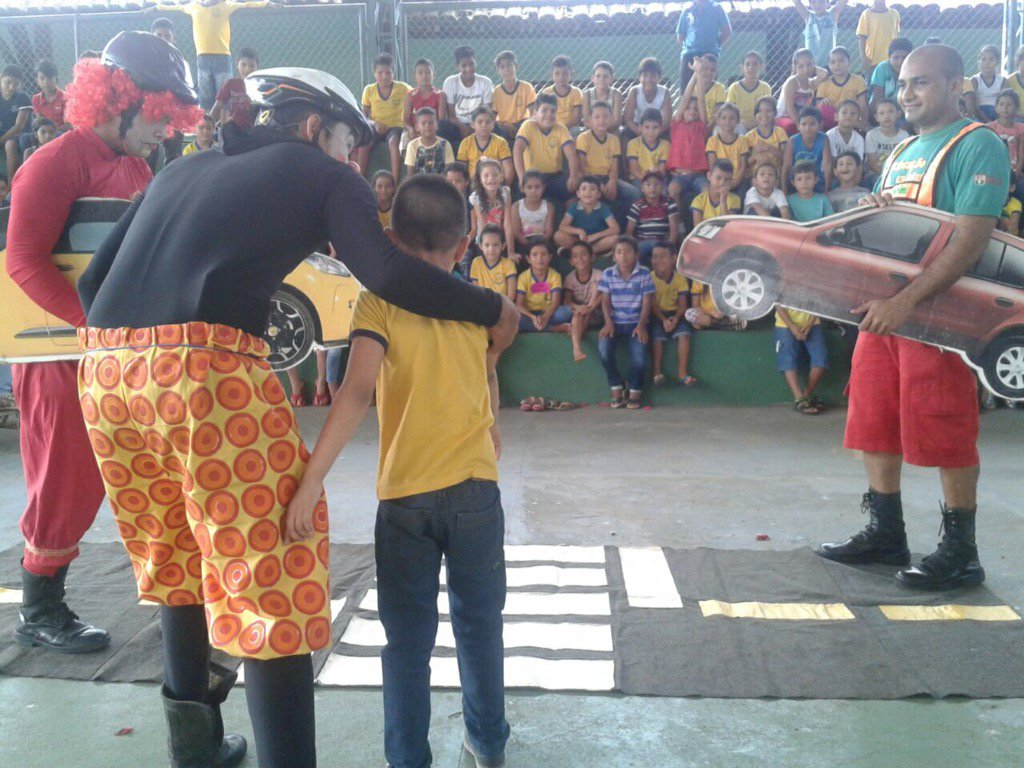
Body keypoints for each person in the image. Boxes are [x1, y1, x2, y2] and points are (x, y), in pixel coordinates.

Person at [76, 58, 518, 768]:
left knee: (179, 561)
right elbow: (388, 271)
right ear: (317, 127)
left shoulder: (181, 169)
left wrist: (135, 358)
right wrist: (492, 306)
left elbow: (96, 279)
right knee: (272, 576)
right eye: (351, 144)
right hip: (205, 374)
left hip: (105, 372)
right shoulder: (323, 173)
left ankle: (197, 749)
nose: (354, 161)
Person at [284, 174, 512, 768]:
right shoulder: (473, 302)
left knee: (406, 644)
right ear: (463, 246)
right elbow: (487, 363)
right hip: (475, 493)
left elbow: (356, 392)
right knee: (480, 626)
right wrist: (490, 422)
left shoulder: (379, 300)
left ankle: (407, 757)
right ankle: (488, 743)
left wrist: (312, 479)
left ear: (391, 239)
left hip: (406, 501)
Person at [5, 32, 198, 660]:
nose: (165, 132)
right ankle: (39, 610)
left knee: (134, 472)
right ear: (118, 98)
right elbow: (24, 261)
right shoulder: (55, 161)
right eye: (160, 116)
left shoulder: (141, 169)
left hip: (115, 355)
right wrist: (92, 323)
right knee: (65, 481)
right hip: (60, 353)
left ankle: (175, 593)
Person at [817, 44, 1009, 590]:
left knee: (945, 422)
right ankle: (886, 533)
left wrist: (906, 302)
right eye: (902, 84)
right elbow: (885, 231)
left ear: (956, 85)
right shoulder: (901, 153)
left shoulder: (979, 145)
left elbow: (969, 242)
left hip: (941, 318)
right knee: (873, 418)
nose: (906, 94)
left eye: (921, 83)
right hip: (885, 315)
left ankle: (961, 551)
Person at [152, 0, 273, 111]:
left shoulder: (226, 6)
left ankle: (225, 126)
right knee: (205, 96)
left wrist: (267, 3)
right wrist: (156, 7)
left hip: (222, 58)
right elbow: (175, 7)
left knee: (225, 95)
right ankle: (207, 124)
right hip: (202, 59)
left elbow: (247, 4)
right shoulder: (193, 6)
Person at [598, 235, 654, 409]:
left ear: (636, 255)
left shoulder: (644, 273)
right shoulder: (608, 274)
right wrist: (608, 323)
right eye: (619, 252)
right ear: (614, 256)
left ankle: (635, 389)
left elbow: (647, 302)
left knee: (640, 357)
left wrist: (641, 325)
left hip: (637, 323)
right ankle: (616, 385)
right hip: (614, 322)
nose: (623, 256)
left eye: (628, 252)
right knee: (604, 349)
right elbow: (605, 301)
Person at [575, 100, 641, 226]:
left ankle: (623, 229)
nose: (601, 120)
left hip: (608, 178)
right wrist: (598, 184)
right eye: (597, 117)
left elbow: (614, 166)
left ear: (611, 119)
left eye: (606, 116)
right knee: (595, 195)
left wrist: (612, 181)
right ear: (589, 120)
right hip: (589, 179)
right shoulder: (583, 138)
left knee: (635, 194)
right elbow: (582, 168)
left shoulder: (614, 139)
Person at [513, 93, 578, 204]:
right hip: (532, 177)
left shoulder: (561, 128)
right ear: (535, 113)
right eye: (544, 110)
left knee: (573, 193)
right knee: (519, 198)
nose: (549, 114)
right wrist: (522, 178)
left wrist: (573, 176)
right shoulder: (528, 126)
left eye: (553, 111)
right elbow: (517, 150)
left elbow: (571, 154)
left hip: (554, 176)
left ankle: (569, 221)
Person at [358, 53, 410, 182]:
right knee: (364, 144)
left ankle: (394, 182)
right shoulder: (369, 90)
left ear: (394, 73)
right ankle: (360, 179)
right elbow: (364, 116)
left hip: (396, 127)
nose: (384, 76)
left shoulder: (403, 88)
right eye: (380, 72)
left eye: (388, 72)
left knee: (393, 143)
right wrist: (374, 124)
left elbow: (416, 97)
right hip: (376, 127)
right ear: (374, 73)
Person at [649, 242, 695, 387]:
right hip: (656, 314)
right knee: (656, 337)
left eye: (663, 256)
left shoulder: (680, 278)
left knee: (684, 335)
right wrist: (663, 320)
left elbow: (683, 304)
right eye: (655, 257)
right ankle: (657, 372)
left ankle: (682, 373)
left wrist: (675, 319)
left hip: (676, 313)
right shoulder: (648, 278)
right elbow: (651, 304)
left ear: (674, 259)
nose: (658, 260)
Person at [668, 65, 710, 206]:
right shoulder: (677, 124)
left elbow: (701, 100)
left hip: (698, 175)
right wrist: (695, 74)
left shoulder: (701, 126)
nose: (692, 110)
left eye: (695, 109)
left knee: (706, 190)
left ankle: (705, 223)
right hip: (680, 176)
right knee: (673, 190)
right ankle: (679, 223)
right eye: (688, 108)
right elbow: (686, 97)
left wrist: (699, 73)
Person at [516, 237, 572, 333]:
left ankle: (537, 327)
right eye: (535, 254)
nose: (540, 258)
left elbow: (556, 302)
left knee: (566, 312)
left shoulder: (555, 276)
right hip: (530, 314)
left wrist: (545, 317)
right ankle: (553, 329)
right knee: (517, 318)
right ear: (528, 259)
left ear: (550, 257)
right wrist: (533, 317)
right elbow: (519, 304)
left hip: (550, 313)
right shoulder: (523, 277)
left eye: (543, 254)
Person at [554, 175, 619, 256]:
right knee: (558, 235)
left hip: (597, 241)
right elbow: (562, 226)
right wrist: (579, 231)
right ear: (578, 193)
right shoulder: (574, 207)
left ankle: (587, 251)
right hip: (579, 240)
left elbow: (615, 228)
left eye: (592, 189)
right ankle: (583, 251)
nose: (588, 192)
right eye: (584, 189)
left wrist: (595, 236)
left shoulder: (603, 208)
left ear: (599, 194)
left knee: (615, 238)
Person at [676, 0, 732, 91]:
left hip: (710, 55)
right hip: (689, 56)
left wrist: (715, 45)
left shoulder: (716, 8)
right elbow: (680, 36)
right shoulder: (687, 9)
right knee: (686, 91)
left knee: (708, 91)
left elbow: (727, 31)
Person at [626, 170, 679, 264]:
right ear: (642, 188)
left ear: (662, 187)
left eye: (657, 184)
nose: (652, 188)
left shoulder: (669, 203)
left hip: (662, 241)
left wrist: (670, 247)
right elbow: (629, 231)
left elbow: (674, 229)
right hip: (642, 242)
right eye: (648, 184)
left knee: (663, 253)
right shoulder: (637, 205)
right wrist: (631, 248)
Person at [564, 240, 603, 362]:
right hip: (580, 314)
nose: (580, 258)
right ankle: (576, 349)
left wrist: (589, 307)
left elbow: (603, 296)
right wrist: (578, 307)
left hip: (596, 311)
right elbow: (567, 301)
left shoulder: (599, 274)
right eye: (575, 256)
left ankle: (576, 332)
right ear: (571, 262)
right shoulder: (570, 278)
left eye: (584, 254)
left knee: (596, 286)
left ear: (592, 257)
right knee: (578, 315)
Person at [403, 58, 457, 148]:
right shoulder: (410, 95)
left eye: (428, 72)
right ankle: (408, 160)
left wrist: (427, 132)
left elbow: (441, 120)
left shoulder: (440, 95)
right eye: (420, 73)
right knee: (405, 141)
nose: (424, 76)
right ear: (415, 76)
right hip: (415, 130)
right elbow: (405, 120)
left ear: (433, 75)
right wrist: (411, 129)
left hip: (433, 130)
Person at [443, 46, 494, 138]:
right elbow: (451, 115)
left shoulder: (485, 82)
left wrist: (476, 126)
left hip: (480, 123)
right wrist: (462, 127)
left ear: (475, 63)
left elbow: (487, 112)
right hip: (457, 124)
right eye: (464, 66)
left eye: (471, 64)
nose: (469, 69)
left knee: (496, 129)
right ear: (457, 66)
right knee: (444, 127)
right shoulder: (450, 82)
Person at [457, 105, 513, 186]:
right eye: (480, 122)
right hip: (473, 184)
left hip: (494, 183)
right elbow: (461, 169)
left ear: (493, 124)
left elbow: (508, 168)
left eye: (488, 122)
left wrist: (505, 187)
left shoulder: (501, 142)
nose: (484, 125)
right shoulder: (466, 143)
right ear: (472, 124)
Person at [782, 106, 831, 194]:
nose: (807, 128)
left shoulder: (824, 139)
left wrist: (827, 189)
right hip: (797, 183)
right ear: (798, 126)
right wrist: (784, 189)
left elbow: (827, 165)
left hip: (817, 182)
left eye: (812, 124)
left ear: (820, 125)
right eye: (803, 124)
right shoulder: (793, 141)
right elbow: (787, 166)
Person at [623, 58, 672, 145]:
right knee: (624, 134)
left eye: (653, 76)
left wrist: (653, 133)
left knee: (671, 136)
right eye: (645, 75)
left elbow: (666, 121)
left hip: (657, 129)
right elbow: (628, 119)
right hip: (638, 128)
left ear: (659, 77)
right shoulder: (634, 91)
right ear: (639, 78)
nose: (649, 79)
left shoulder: (665, 92)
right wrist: (644, 134)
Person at [816, 46, 868, 129]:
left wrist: (863, 121)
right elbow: (818, 107)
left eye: (841, 61)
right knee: (824, 108)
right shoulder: (824, 83)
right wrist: (822, 102)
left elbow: (863, 105)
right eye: (833, 62)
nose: (837, 65)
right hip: (832, 120)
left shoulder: (858, 80)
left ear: (849, 62)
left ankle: (858, 129)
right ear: (829, 65)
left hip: (850, 118)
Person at [468, 157, 513, 251]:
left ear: (501, 177)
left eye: (495, 175)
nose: (491, 179)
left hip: (501, 238)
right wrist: (485, 248)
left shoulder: (505, 193)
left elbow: (507, 223)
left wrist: (510, 251)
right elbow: (482, 223)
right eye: (486, 175)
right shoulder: (476, 198)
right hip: (484, 240)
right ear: (480, 179)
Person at [209, 46, 258, 129]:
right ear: (237, 65)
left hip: (255, 127)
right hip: (234, 127)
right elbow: (217, 106)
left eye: (252, 66)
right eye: (243, 65)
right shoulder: (231, 84)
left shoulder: (260, 84)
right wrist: (208, 124)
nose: (247, 69)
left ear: (257, 67)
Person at [509, 170, 554, 260]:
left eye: (537, 187)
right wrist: (529, 245)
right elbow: (516, 232)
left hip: (542, 240)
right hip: (523, 242)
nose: (533, 191)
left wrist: (539, 245)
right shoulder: (516, 206)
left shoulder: (548, 206)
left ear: (543, 188)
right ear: (522, 189)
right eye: (529, 187)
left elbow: (549, 231)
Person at [492, 50, 536, 142]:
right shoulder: (496, 91)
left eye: (509, 65)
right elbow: (493, 117)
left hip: (522, 124)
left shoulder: (526, 87)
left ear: (516, 66)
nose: (506, 69)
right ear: (498, 71)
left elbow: (533, 113)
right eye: (502, 67)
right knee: (499, 131)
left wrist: (524, 124)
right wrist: (504, 124)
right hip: (504, 126)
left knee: (528, 127)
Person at [792, 0, 849, 69]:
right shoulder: (808, 17)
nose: (817, 5)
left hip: (829, 63)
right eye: (813, 2)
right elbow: (797, 3)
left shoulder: (832, 15)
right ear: (810, 3)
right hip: (811, 64)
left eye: (821, 1)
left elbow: (843, 2)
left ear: (827, 2)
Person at [706, 102, 750, 193]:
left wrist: (735, 182)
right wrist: (721, 182)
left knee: (739, 199)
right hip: (719, 180)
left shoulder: (743, 140)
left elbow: (743, 165)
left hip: (738, 180)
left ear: (738, 120)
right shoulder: (712, 141)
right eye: (724, 118)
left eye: (732, 118)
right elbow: (712, 165)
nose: (728, 121)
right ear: (718, 121)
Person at [864, 98, 908, 186]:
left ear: (898, 114)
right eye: (881, 113)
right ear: (877, 117)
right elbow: (872, 163)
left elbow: (904, 160)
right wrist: (887, 176)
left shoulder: (904, 135)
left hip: (896, 173)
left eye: (890, 112)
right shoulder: (872, 135)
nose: (886, 116)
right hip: (875, 174)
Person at [724, 51, 772, 133]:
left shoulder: (765, 87)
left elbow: (768, 110)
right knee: (739, 129)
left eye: (755, 64)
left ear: (762, 66)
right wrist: (741, 121)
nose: (751, 67)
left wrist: (759, 122)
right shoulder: (734, 88)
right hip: (739, 123)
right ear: (741, 68)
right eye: (747, 64)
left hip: (760, 122)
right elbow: (730, 111)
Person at [778, 48, 820, 136]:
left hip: (803, 118)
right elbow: (789, 107)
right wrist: (800, 125)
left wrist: (815, 68)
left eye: (809, 65)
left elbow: (825, 74)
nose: (806, 69)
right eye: (801, 66)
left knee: (818, 126)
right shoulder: (792, 82)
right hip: (785, 116)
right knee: (791, 126)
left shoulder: (812, 82)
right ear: (795, 67)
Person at [0, 65, 32, 181]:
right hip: (4, 131)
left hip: (20, 133)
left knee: (10, 144)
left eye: (15, 84)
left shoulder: (23, 98)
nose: (11, 87)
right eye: (8, 82)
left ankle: (11, 185)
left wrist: (1, 140)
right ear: (0, 78)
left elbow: (19, 126)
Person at [470, 223, 517, 299]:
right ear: (480, 246)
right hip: (483, 304)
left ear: (503, 246)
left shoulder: (509, 264)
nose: (491, 249)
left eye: (496, 245)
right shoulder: (476, 262)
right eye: (487, 245)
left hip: (504, 305)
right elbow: (476, 292)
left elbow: (511, 296)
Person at [404, 107, 454, 176]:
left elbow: (449, 172)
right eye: (423, 123)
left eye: (431, 123)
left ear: (437, 125)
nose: (427, 126)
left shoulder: (445, 144)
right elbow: (410, 174)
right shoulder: (412, 145)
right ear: (417, 127)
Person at [856, 0, 900, 78]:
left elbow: (896, 36)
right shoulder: (866, 14)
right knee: (872, 87)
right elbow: (862, 37)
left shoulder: (894, 14)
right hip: (872, 61)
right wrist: (864, 57)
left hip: (891, 61)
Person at [540, 55, 584, 132]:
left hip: (570, 128)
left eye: (565, 73)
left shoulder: (576, 92)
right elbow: (544, 113)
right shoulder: (547, 92)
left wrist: (562, 129)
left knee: (577, 131)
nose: (561, 77)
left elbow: (577, 118)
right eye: (557, 73)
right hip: (551, 127)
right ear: (551, 75)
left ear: (571, 74)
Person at [987, 90, 1024, 183]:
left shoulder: (1021, 129)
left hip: (1014, 171)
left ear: (1016, 108)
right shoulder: (989, 128)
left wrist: (1016, 174)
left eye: (1009, 105)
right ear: (996, 108)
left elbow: (1022, 154)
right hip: (993, 171)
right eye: (1001, 104)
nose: (1005, 108)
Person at [745, 96, 788, 175]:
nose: (764, 114)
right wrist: (756, 157)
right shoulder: (749, 136)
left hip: (775, 175)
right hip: (756, 176)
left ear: (775, 113)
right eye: (760, 111)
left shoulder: (780, 132)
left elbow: (785, 157)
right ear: (755, 115)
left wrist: (768, 148)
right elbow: (745, 163)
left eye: (768, 111)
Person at [626, 108, 669, 183]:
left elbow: (662, 171)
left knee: (663, 192)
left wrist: (653, 183)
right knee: (637, 193)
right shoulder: (633, 144)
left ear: (661, 128)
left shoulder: (665, 145)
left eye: (655, 127)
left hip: (658, 180)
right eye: (647, 127)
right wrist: (648, 182)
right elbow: (634, 170)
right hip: (638, 179)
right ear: (640, 127)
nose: (651, 132)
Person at [869, 38, 913, 109]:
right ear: (889, 57)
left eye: (904, 58)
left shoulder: (913, 69)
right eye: (896, 57)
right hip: (884, 110)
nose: (900, 62)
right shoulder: (882, 68)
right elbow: (877, 97)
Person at [582, 61, 623, 133]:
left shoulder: (616, 94)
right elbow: (586, 120)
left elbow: (616, 121)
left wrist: (603, 130)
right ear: (592, 78)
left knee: (618, 135)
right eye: (598, 76)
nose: (601, 79)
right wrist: (599, 131)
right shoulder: (587, 94)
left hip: (611, 130)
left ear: (611, 79)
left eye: (605, 76)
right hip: (592, 130)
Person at [31, 60, 70, 132]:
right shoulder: (36, 99)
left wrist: (53, 133)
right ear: (37, 81)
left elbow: (68, 124)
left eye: (50, 78)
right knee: (24, 139)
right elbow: (40, 123)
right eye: (42, 78)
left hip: (62, 133)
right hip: (45, 134)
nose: (46, 82)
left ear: (56, 78)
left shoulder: (66, 97)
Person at [972, 44, 1006, 122]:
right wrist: (988, 121)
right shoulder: (975, 80)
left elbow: (1004, 102)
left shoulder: (1002, 81)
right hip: (979, 114)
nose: (987, 62)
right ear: (979, 62)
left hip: (998, 114)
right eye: (983, 59)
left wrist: (996, 121)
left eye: (991, 59)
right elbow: (975, 107)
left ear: (997, 62)